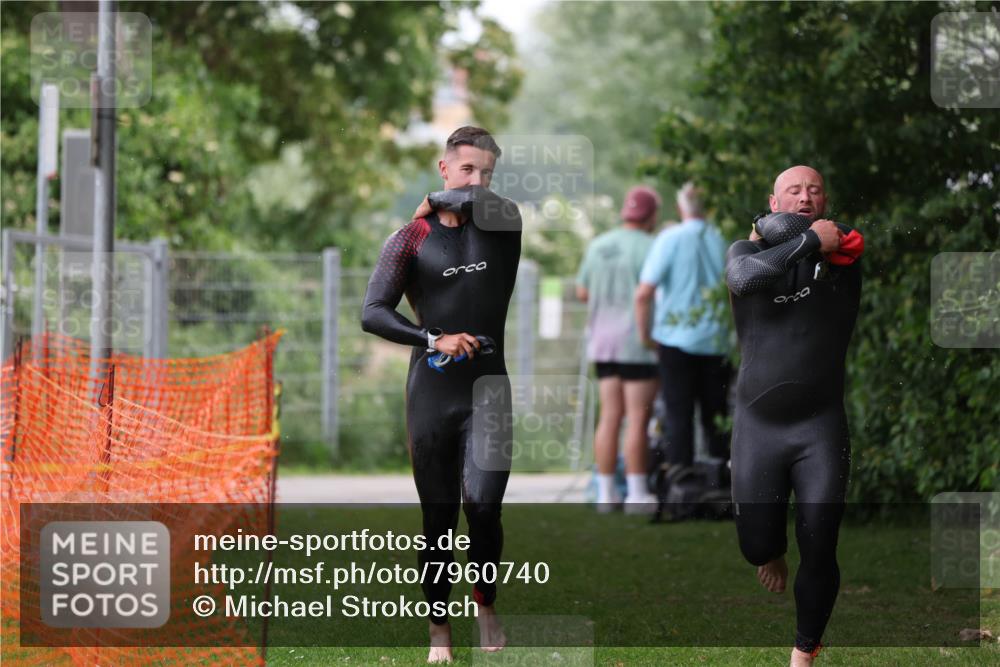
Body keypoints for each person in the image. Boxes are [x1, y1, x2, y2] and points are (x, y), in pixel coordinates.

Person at [361, 126, 521, 663]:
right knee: (439, 517)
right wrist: (433, 337)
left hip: (488, 390)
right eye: (468, 169)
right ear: (444, 166)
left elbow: (479, 202)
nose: (478, 182)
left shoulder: (503, 223)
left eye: (488, 173)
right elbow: (373, 312)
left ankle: (486, 603)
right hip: (431, 391)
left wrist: (433, 201)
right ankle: (438, 628)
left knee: (484, 507)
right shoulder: (410, 238)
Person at [725, 165, 864, 666]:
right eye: (794, 191)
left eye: (814, 190)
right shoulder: (745, 254)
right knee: (757, 545)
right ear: (774, 201)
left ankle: (803, 653)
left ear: (824, 202)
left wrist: (801, 238)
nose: (805, 196)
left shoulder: (843, 254)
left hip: (819, 427)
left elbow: (823, 242)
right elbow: (744, 279)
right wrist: (792, 238)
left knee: (821, 541)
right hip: (758, 427)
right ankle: (770, 551)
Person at [634, 182, 731, 477]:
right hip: (717, 342)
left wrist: (645, 336)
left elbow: (643, 294)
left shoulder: (670, 238)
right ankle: (721, 483)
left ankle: (681, 483)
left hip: (675, 341)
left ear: (679, 208)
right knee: (716, 417)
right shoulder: (722, 239)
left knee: (678, 415)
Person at [575, 186, 662, 512]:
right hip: (638, 343)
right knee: (638, 419)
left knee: (609, 417)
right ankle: (638, 493)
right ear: (651, 215)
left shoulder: (598, 245)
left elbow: (583, 291)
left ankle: (605, 493)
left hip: (602, 343)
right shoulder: (653, 246)